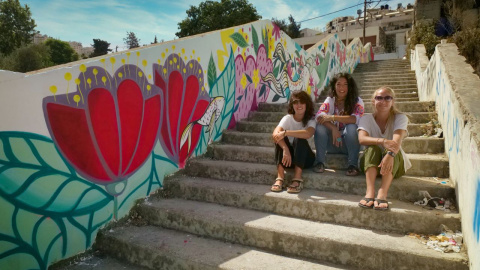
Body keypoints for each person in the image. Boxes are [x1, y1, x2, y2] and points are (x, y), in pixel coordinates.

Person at [357, 86, 412, 210]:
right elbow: (362, 139)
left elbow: (396, 141)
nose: (383, 101)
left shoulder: (400, 118)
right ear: (373, 101)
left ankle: (382, 193)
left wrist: (389, 155)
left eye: (388, 98)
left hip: (396, 164)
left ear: (393, 101)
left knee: (393, 149)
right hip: (371, 163)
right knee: (372, 148)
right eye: (379, 98)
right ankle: (370, 192)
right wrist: (382, 141)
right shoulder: (366, 118)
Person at [313, 73, 364, 176]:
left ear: (350, 86)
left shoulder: (357, 101)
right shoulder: (330, 100)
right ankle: (319, 162)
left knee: (351, 127)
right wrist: (333, 128)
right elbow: (319, 116)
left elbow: (355, 119)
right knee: (320, 126)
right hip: (334, 143)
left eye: (345, 84)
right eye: (338, 84)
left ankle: (353, 165)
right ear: (334, 86)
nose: (342, 88)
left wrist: (333, 117)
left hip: (349, 144)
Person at [271, 90, 316, 193]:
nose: (298, 105)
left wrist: (286, 132)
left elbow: (308, 133)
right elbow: (275, 134)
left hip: (306, 159)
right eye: (295, 102)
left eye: (302, 102)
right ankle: (280, 178)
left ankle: (297, 179)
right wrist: (285, 148)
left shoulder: (311, 120)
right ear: (292, 105)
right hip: (289, 158)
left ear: (307, 104)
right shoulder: (288, 118)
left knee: (299, 138)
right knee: (279, 139)